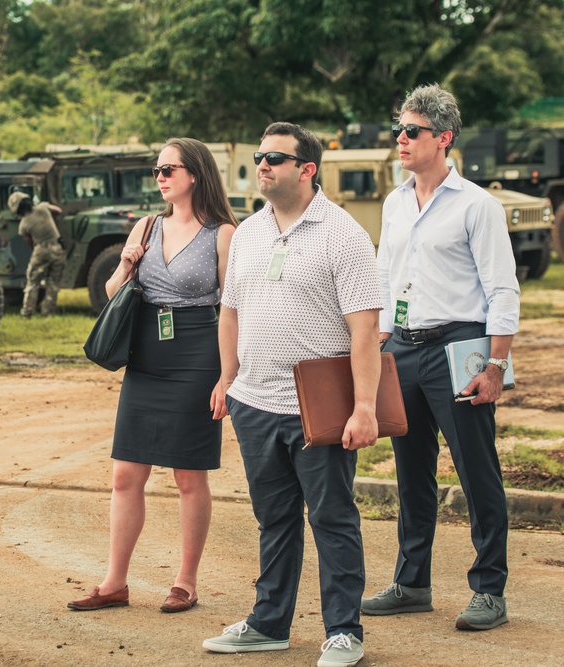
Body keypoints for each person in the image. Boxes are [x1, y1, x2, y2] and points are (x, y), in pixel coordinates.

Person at [202, 122, 382, 667]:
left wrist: (366, 406)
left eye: (275, 158)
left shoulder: (343, 234)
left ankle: (344, 631)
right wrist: (227, 378)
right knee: (274, 518)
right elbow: (229, 312)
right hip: (254, 403)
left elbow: (365, 330)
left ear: (307, 169)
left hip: (317, 409)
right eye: (259, 156)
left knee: (332, 519)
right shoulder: (250, 232)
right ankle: (269, 623)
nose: (262, 165)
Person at [362, 84, 519, 631]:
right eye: (398, 130)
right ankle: (412, 582)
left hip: (462, 347)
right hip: (402, 346)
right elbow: (385, 276)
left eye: (412, 131)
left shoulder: (479, 205)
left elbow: (502, 289)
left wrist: (497, 365)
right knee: (411, 472)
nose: (400, 140)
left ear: (443, 138)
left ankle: (489, 590)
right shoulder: (394, 201)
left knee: (477, 470)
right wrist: (382, 338)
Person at [67, 138, 236, 615]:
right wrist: (126, 263)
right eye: (157, 169)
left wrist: (227, 375)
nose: (160, 176)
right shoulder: (146, 225)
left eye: (169, 169)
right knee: (125, 474)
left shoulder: (223, 233)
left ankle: (186, 582)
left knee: (188, 475)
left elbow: (234, 309)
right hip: (147, 356)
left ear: (195, 174)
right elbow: (111, 292)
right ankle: (114, 582)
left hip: (197, 354)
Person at [7, 191, 66, 318]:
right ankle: (48, 312)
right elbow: (58, 211)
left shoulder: (23, 225)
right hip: (57, 248)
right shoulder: (43, 208)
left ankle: (27, 313)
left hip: (40, 250)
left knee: (33, 282)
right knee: (53, 283)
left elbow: (30, 242)